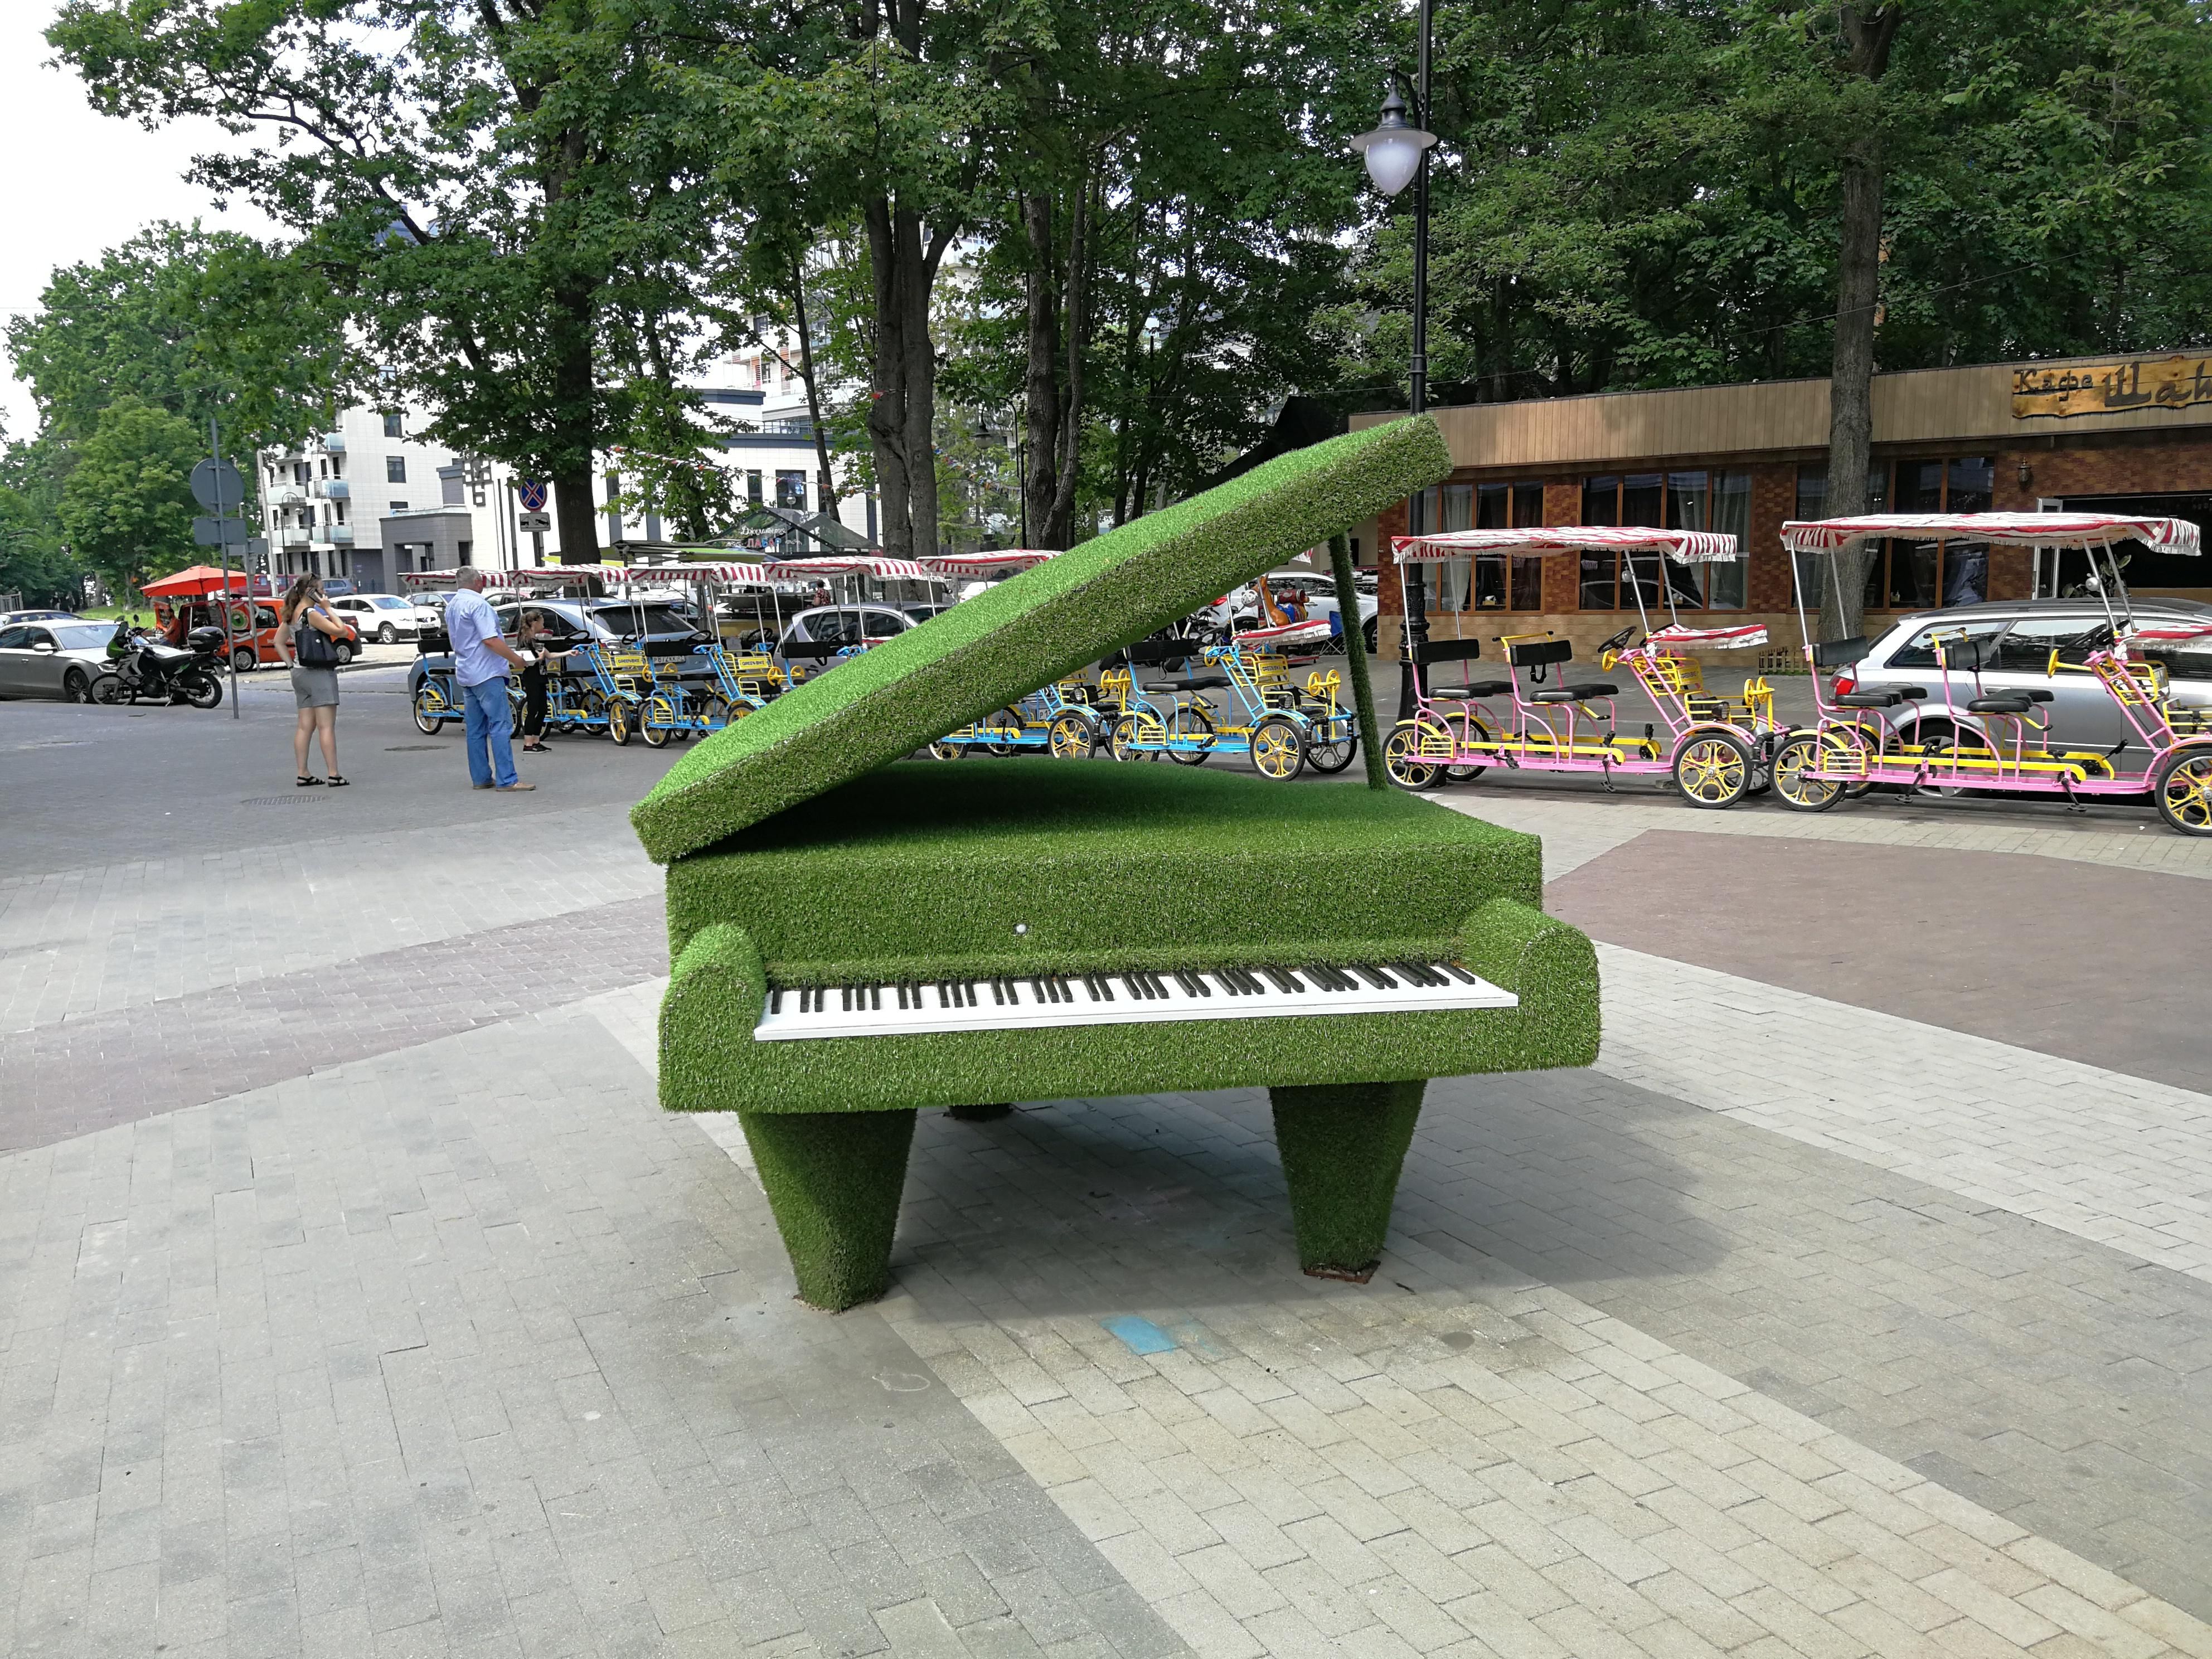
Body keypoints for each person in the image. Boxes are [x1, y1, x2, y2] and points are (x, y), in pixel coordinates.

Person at [445, 569, 537, 792]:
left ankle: (481, 778)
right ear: (478, 582)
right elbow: (490, 639)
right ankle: (507, 779)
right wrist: (516, 659)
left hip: (466, 671)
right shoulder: (480, 605)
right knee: (501, 725)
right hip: (487, 672)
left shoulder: (452, 606)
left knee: (476, 729)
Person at [277, 575, 348, 787]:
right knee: (326, 727)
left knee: (304, 727)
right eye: (321, 590)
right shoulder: (311, 614)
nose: (324, 594)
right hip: (319, 673)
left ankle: (303, 773)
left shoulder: (292, 613)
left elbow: (278, 642)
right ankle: (334, 774)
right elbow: (341, 631)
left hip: (300, 673)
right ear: (311, 591)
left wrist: (291, 666)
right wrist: (327, 608)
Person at [515, 610, 567, 753]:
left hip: (541, 676)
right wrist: (539, 658)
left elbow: (549, 655)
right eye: (542, 623)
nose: (543, 625)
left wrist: (569, 653)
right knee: (533, 709)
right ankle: (528, 743)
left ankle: (537, 741)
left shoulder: (537, 640)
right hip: (531, 676)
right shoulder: (525, 640)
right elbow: (524, 662)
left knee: (543, 709)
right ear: (535, 623)